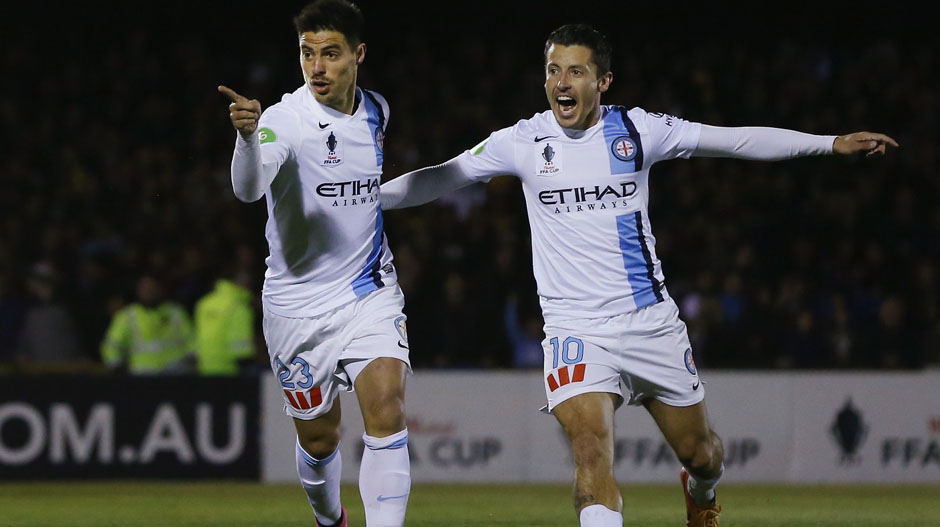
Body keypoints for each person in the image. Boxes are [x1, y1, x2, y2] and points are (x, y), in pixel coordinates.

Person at [380, 24, 897, 527]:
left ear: (603, 82)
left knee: (703, 454)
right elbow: (440, 177)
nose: (561, 82)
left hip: (650, 323)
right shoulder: (523, 141)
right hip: (575, 330)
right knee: (589, 451)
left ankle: (702, 494)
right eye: (553, 70)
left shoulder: (638, 130)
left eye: (576, 71)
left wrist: (829, 143)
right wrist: (369, 199)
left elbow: (734, 141)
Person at [217, 1, 411, 526]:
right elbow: (248, 188)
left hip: (369, 289)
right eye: (307, 54)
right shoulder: (286, 120)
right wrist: (246, 138)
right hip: (297, 310)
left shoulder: (378, 110)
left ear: (358, 54)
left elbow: (367, 192)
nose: (317, 67)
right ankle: (331, 519)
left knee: (387, 409)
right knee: (320, 438)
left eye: (330, 54)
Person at [101, 274, 195, 374]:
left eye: (152, 287)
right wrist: (117, 368)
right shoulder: (127, 316)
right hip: (142, 376)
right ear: (138, 291)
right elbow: (112, 345)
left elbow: (192, 340)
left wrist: (193, 362)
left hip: (176, 374)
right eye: (144, 288)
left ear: (159, 289)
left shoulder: (176, 312)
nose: (149, 291)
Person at [194, 267, 257, 376]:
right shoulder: (238, 305)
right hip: (232, 369)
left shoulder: (204, 303)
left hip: (204, 366)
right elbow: (241, 344)